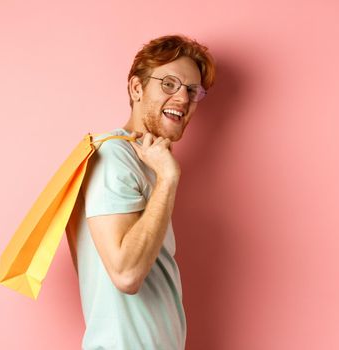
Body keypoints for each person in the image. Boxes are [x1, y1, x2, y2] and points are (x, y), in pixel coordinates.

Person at [66, 34, 216, 350]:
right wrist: (169, 179)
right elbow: (126, 274)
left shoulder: (148, 161)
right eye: (169, 84)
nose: (183, 99)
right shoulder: (114, 157)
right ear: (137, 88)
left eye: (191, 91)